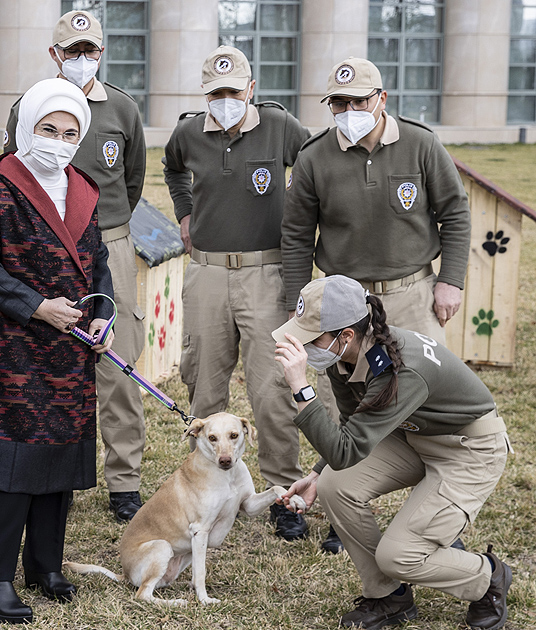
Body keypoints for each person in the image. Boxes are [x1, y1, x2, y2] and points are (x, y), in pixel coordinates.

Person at [280, 56, 471, 552]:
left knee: (422, 398)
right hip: (346, 302)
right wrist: (303, 306)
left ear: (381, 99)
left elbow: (455, 211)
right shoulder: (314, 155)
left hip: (411, 292)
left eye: (358, 101)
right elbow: (297, 233)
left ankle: (436, 507)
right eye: (338, 103)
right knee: (351, 403)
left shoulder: (421, 143)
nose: (347, 110)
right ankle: (340, 507)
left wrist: (450, 280)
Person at [0, 78, 114, 625]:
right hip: (9, 348)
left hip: (69, 349)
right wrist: (36, 306)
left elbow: (99, 263)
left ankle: (44, 564)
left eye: (70, 132)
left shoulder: (84, 190)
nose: (59, 140)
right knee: (14, 463)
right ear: (27, 128)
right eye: (49, 129)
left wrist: (104, 313)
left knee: (60, 458)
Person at [273, 275, 511, 630]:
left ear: (346, 335)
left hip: (468, 448)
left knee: (399, 556)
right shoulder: (346, 357)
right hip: (413, 435)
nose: (304, 347)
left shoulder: (399, 368)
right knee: (334, 486)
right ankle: (389, 597)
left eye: (312, 338)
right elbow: (353, 424)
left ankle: (487, 576)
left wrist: (301, 389)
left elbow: (347, 448)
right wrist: (318, 472)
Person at [4, 9, 148, 522]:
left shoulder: (124, 111)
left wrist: (102, 232)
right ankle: (37, 467)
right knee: (42, 358)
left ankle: (124, 482)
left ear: (101, 54)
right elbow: (12, 174)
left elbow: (131, 184)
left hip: (109, 240)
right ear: (54, 55)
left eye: (90, 51)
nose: (82, 60)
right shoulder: (30, 106)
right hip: (44, 245)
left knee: (117, 362)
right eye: (72, 52)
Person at [164, 45, 311, 541]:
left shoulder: (281, 126)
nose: (224, 100)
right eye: (215, 93)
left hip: (265, 272)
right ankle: (206, 490)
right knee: (203, 384)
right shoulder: (188, 131)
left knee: (271, 389)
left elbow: (313, 168)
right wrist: (185, 212)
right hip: (206, 271)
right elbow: (171, 168)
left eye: (233, 91)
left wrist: (298, 214)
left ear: (251, 89)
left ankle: (283, 494)